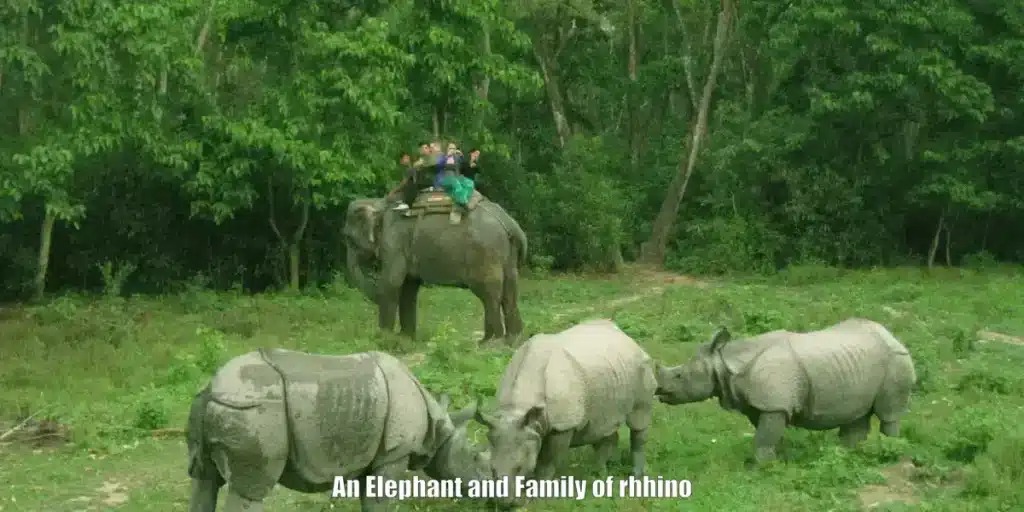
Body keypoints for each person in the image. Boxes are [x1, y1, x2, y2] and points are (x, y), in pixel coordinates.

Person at [390, 142, 432, 211]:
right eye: (405, 158)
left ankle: (406, 204)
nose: (407, 159)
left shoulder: (423, 160)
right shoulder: (414, 164)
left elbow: (404, 182)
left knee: (409, 183)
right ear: (401, 161)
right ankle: (405, 203)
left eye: (407, 158)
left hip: (428, 181)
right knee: (409, 183)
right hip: (421, 181)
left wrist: (393, 191)